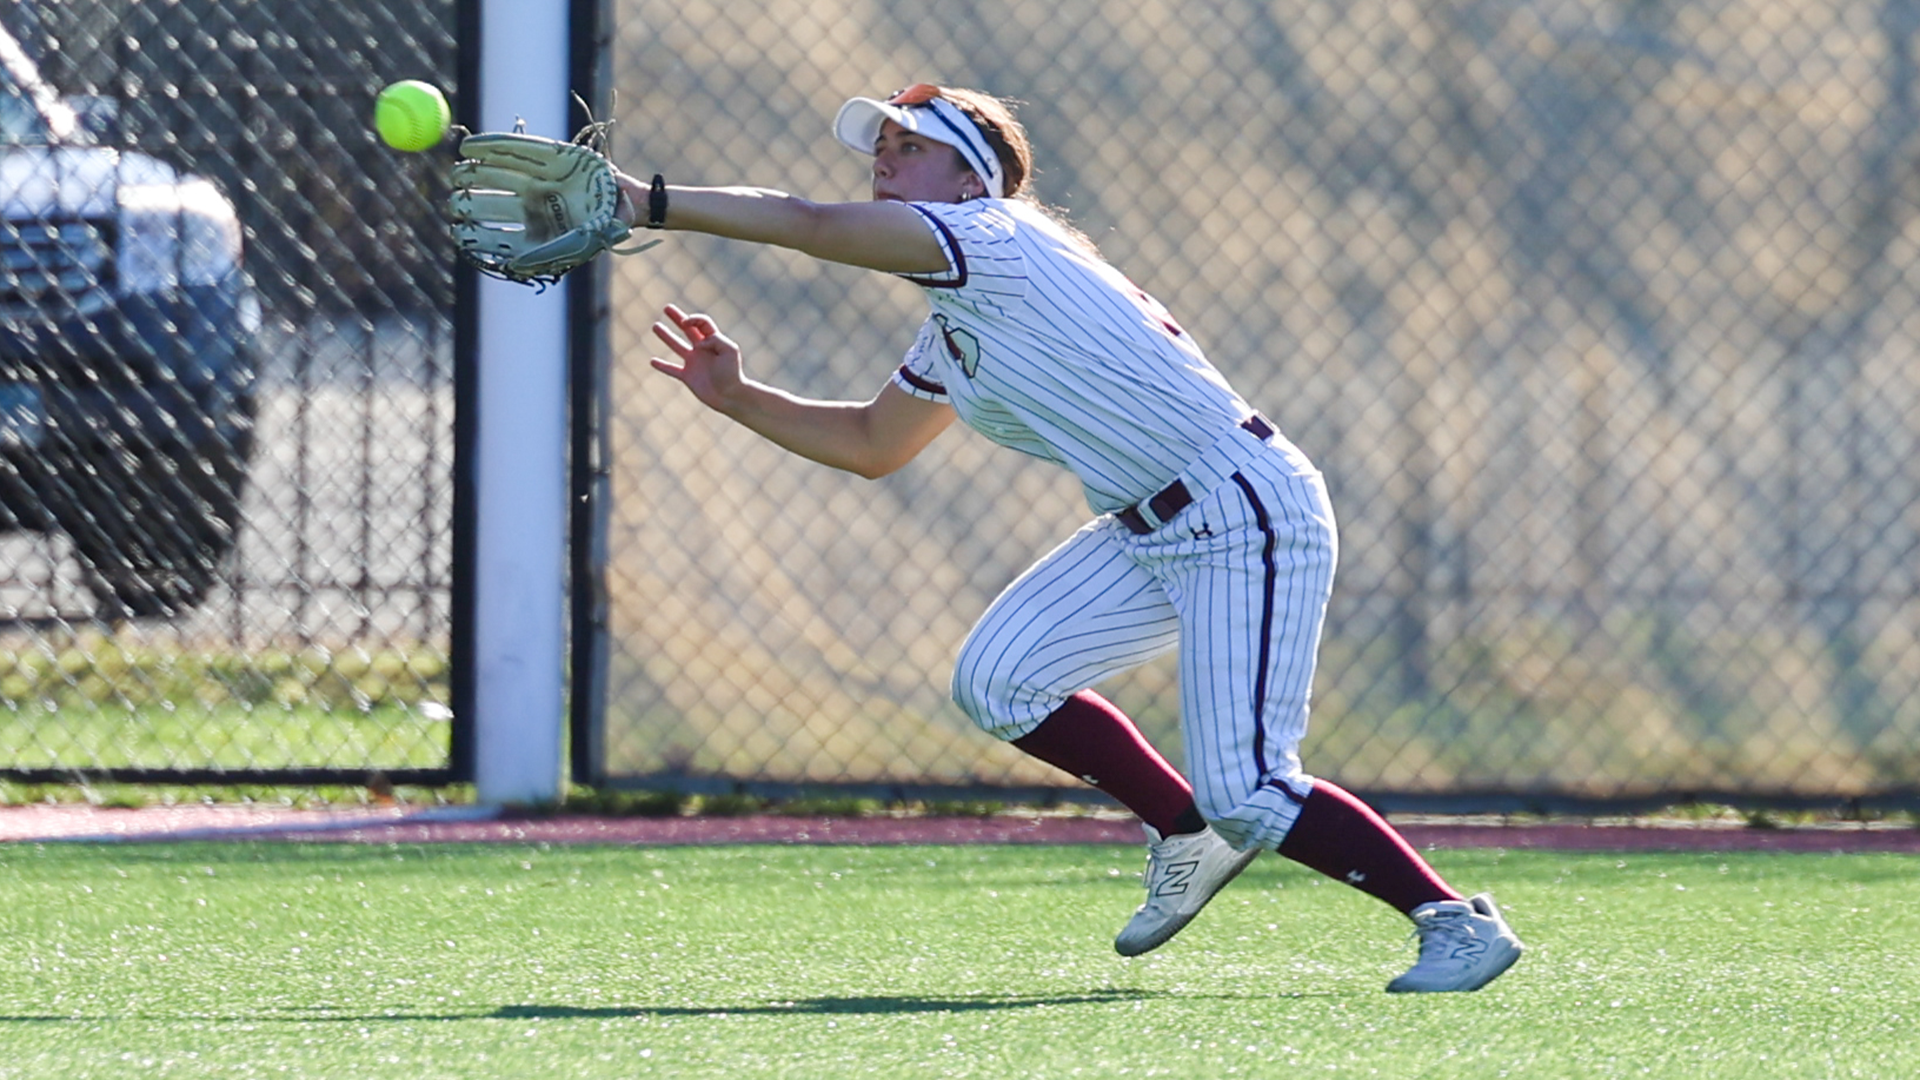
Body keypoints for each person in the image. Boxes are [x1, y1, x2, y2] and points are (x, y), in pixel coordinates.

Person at [616, 84, 1523, 992]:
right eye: (879, 148)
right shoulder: (956, 319)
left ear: (974, 177)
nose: (884, 161)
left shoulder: (994, 238)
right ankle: (1183, 827)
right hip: (1147, 528)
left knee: (1250, 788)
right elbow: (869, 444)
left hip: (1244, 508)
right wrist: (738, 397)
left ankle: (1451, 923)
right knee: (999, 680)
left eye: (910, 145)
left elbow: (808, 222)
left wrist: (648, 201)